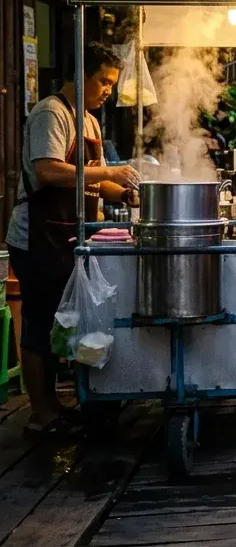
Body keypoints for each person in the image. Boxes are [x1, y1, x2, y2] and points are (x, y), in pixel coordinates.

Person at [7, 41, 140, 438]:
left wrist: (129, 192)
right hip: (39, 233)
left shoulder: (90, 121)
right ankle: (41, 413)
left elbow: (94, 184)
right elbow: (48, 171)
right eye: (102, 81)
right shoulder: (51, 112)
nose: (107, 91)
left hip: (72, 233)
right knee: (42, 320)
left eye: (111, 85)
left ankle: (68, 401)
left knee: (72, 318)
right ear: (78, 76)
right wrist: (110, 175)